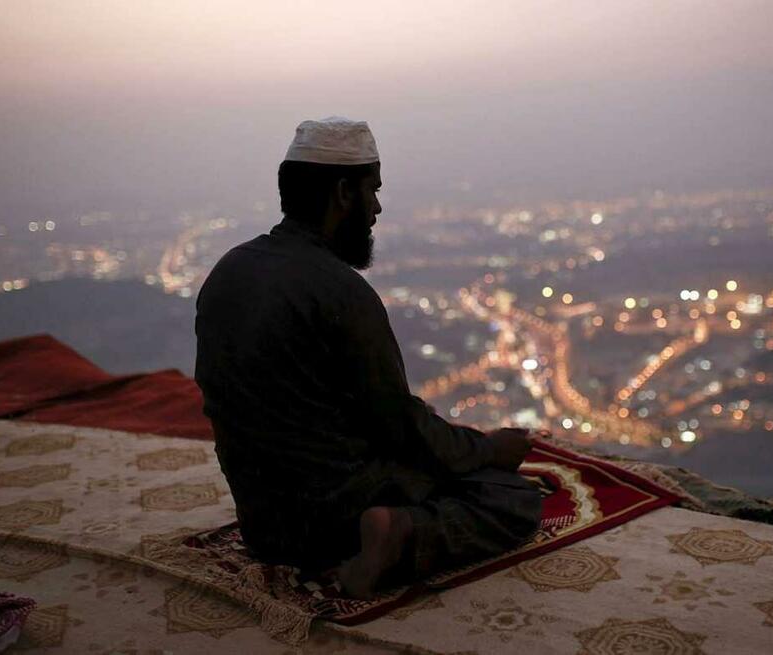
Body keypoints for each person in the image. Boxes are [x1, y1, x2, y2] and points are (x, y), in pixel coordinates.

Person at [194, 117, 542, 599]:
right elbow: (397, 424)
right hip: (333, 521)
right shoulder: (340, 291)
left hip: (261, 523)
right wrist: (486, 449)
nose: (376, 208)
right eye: (372, 191)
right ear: (343, 193)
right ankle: (400, 534)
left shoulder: (228, 271)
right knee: (512, 497)